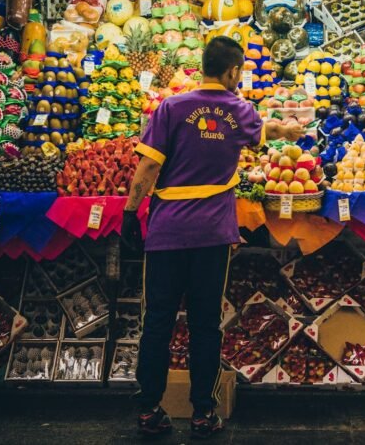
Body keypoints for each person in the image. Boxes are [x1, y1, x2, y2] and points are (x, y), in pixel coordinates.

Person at [121, 36, 303, 439]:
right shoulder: (240, 111)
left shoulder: (171, 107)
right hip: (212, 236)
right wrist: (289, 132)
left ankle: (149, 410)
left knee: (157, 322)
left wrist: (130, 214)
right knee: (206, 324)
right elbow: (267, 131)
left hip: (167, 233)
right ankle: (203, 413)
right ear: (233, 71)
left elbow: (148, 169)